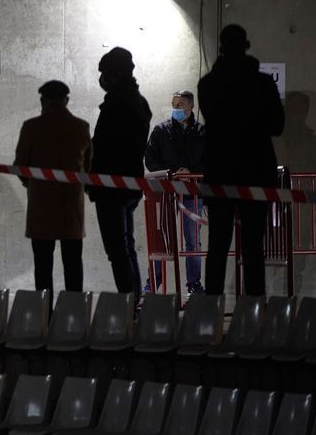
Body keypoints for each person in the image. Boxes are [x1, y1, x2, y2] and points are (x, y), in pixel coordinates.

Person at [198, 25, 285, 296]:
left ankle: (210, 310)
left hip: (220, 173)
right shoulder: (262, 84)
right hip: (255, 173)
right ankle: (254, 310)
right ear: (246, 46)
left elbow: (215, 123)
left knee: (217, 248)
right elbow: (277, 126)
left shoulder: (207, 85)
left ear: (221, 48)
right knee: (253, 249)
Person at [14, 80, 92, 293]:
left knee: (42, 265)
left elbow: (20, 166)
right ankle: (73, 310)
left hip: (41, 204)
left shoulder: (31, 127)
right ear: (67, 100)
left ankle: (44, 310)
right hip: (71, 205)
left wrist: (33, 185)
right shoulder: (81, 127)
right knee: (73, 264)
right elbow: (88, 167)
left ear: (43, 101)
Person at [89, 47, 152, 301]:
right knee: (127, 248)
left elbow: (104, 147)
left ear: (115, 75)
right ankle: (133, 300)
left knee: (117, 250)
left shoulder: (117, 104)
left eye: (105, 73)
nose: (102, 79)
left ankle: (128, 301)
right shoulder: (138, 102)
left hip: (111, 188)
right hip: (130, 184)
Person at [144, 90, 206, 294]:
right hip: (167, 194)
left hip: (192, 194)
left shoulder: (202, 133)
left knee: (192, 241)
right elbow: (150, 159)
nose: (175, 109)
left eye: (179, 105)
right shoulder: (161, 131)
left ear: (191, 107)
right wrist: (172, 174)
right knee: (161, 240)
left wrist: (192, 173)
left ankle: (194, 285)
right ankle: (153, 284)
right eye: (173, 105)